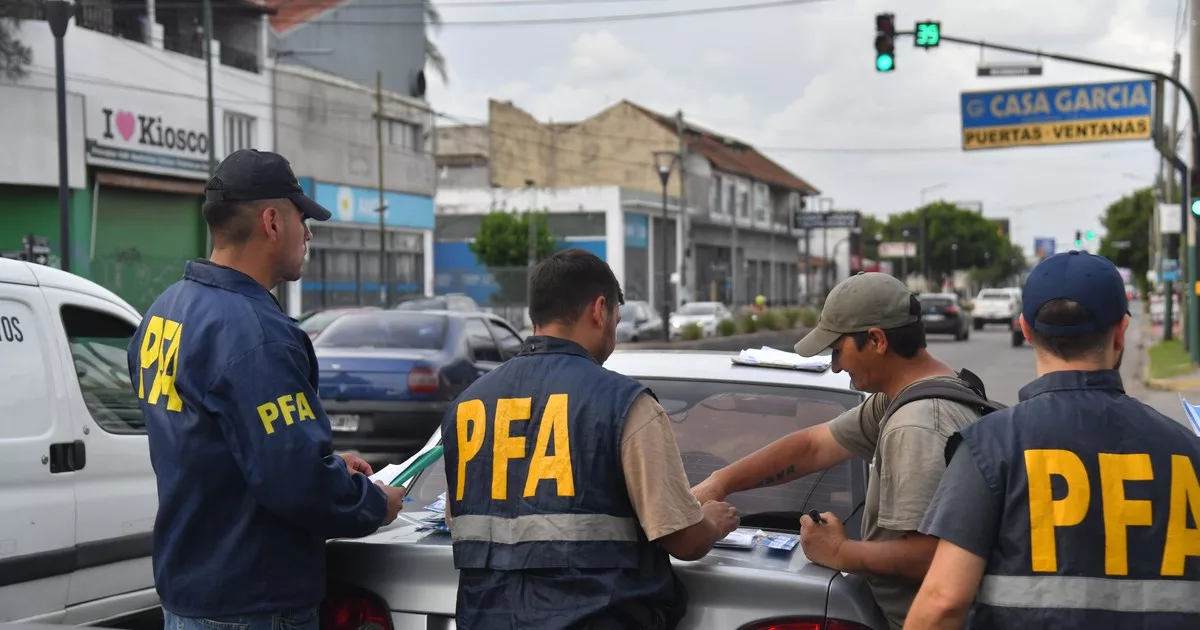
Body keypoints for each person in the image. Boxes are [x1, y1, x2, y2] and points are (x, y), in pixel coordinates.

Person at [127, 149, 408, 630]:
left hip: (189, 593)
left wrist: (326, 464)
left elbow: (220, 445)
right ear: (273, 222)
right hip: (252, 600)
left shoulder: (165, 312)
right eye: (303, 219)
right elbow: (296, 483)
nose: (309, 233)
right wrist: (375, 503)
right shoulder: (256, 334)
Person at [441, 248, 740, 630]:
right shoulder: (626, 405)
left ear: (536, 316)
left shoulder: (467, 406)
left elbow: (462, 522)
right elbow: (683, 540)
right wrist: (711, 523)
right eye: (617, 315)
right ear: (600, 310)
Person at [907, 251, 1200, 629]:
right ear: (1121, 330)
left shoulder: (990, 447)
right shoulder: (1188, 452)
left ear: (1026, 330)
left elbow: (943, 603)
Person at [692, 272, 1000, 630]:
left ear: (877, 340)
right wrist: (719, 483)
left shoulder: (917, 423)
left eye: (838, 350)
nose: (836, 365)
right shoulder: (906, 396)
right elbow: (812, 447)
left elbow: (932, 556)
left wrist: (840, 552)